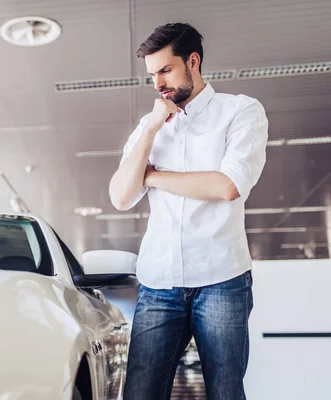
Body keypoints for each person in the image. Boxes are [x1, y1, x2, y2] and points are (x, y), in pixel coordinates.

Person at [109, 23, 268, 399]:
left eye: (165, 70)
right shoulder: (149, 126)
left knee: (226, 392)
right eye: (152, 75)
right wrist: (150, 130)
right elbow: (120, 195)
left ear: (192, 61)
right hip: (158, 282)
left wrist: (153, 177)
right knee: (140, 393)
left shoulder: (240, 111)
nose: (158, 83)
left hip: (222, 279)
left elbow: (226, 186)